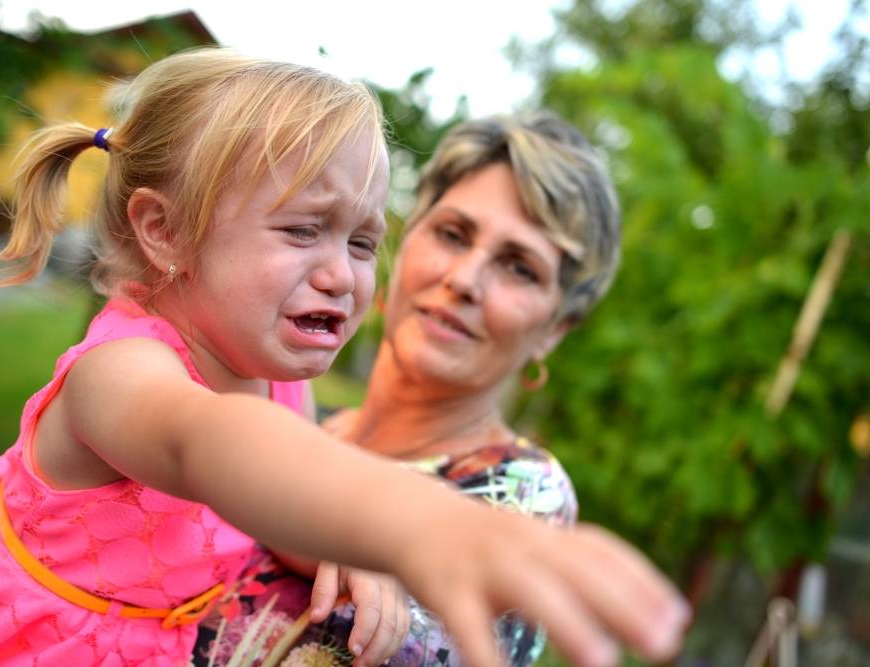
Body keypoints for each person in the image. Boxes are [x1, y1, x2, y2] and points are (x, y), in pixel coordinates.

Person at [0, 48, 686, 667]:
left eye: (364, 240)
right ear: (166, 230)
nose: (341, 272)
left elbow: (256, 498)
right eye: (302, 229)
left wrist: (322, 541)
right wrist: (409, 525)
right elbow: (212, 446)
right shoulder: (119, 375)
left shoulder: (275, 377)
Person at [194, 112, 678, 666]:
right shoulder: (291, 420)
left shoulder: (517, 496)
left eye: (519, 268)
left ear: (554, 330)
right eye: (452, 234)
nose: (465, 280)